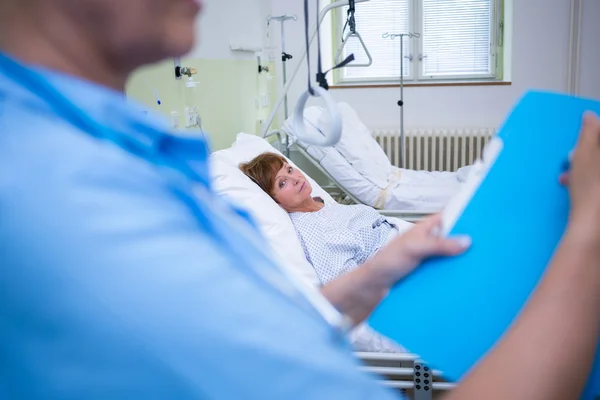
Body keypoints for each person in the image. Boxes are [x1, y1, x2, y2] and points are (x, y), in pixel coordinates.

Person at [1, 1, 600, 400]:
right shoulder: (71, 206)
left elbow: (249, 324)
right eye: (282, 179)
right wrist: (589, 233)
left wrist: (372, 276)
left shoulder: (120, 151)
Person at [240, 152, 416, 285]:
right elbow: (345, 281)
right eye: (282, 183)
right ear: (275, 201)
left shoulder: (321, 203)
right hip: (399, 262)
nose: (294, 178)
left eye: (290, 169)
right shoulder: (309, 229)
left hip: (402, 236)